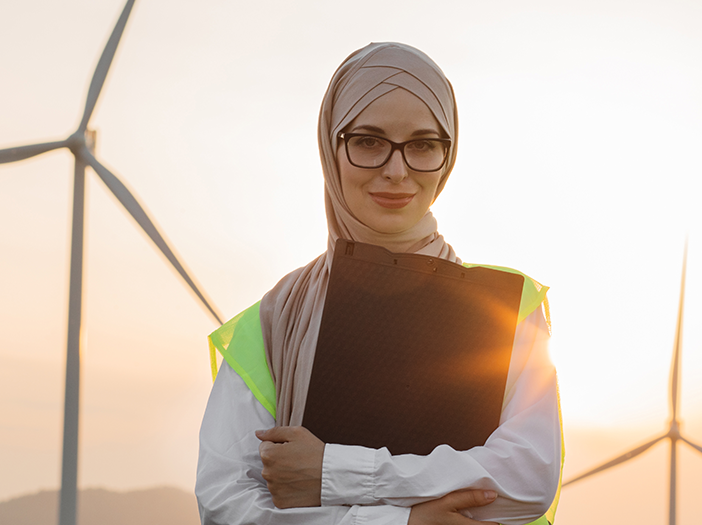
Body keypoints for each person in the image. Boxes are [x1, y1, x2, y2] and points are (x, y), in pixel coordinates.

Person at [195, 42, 562, 525]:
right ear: (332, 147)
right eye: (368, 141)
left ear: (447, 157)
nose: (396, 170)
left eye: (423, 145)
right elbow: (226, 506)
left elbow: (526, 480)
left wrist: (334, 472)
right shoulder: (269, 324)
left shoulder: (506, 309)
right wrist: (404, 521)